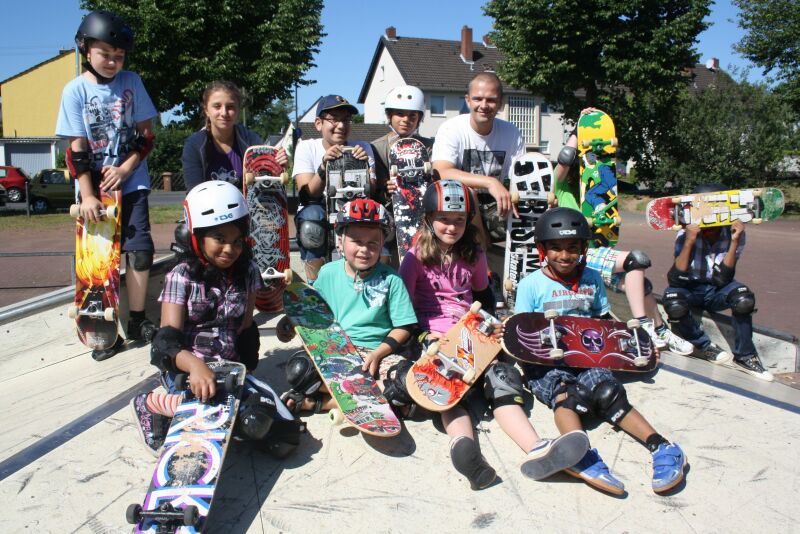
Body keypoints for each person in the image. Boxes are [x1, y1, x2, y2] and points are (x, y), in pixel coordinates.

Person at [399, 181, 589, 490]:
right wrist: (422, 340)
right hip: (433, 339)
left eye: (459, 219)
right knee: (448, 389)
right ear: (428, 218)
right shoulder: (414, 258)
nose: (451, 226)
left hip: (472, 332)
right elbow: (402, 310)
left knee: (502, 378)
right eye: (444, 218)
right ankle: (465, 449)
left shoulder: (473, 252)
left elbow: (483, 296)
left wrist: (493, 324)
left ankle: (536, 447)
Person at [515, 207, 688, 495]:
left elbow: (604, 320)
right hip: (547, 361)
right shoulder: (531, 285)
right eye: (556, 248)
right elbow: (523, 330)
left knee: (607, 393)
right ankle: (578, 452)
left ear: (584, 248)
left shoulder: (592, 278)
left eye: (573, 248)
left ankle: (663, 447)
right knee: (565, 396)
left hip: (587, 353)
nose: (565, 255)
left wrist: (636, 346)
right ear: (542, 249)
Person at [130, 181, 304, 458]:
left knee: (282, 439)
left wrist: (246, 372)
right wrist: (195, 366)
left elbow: (246, 326)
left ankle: (223, 411)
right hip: (186, 371)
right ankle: (152, 403)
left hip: (229, 370)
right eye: (219, 239)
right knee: (209, 419)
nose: (229, 249)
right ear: (194, 236)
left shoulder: (247, 271)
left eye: (236, 240)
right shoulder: (181, 275)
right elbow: (166, 342)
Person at [56, 10, 158, 360]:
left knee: (140, 251)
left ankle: (138, 319)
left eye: (119, 56)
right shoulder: (74, 91)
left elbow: (146, 137)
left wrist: (127, 169)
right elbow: (77, 150)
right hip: (94, 190)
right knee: (99, 259)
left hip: (131, 184)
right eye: (105, 54)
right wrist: (86, 194)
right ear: (86, 49)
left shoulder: (132, 82)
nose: (113, 61)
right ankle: (102, 326)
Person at [552, 117, 693, 356]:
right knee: (636, 260)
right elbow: (564, 159)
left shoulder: (602, 188)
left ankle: (660, 330)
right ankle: (643, 326)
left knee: (640, 284)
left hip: (598, 252)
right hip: (578, 254)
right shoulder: (561, 187)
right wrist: (579, 131)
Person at [276, 198, 418, 415]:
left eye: (373, 243)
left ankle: (321, 403)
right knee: (299, 371)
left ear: (382, 244)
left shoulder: (391, 280)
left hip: (377, 353)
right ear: (340, 241)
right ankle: (377, 398)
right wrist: (289, 321)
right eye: (356, 241)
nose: (364, 250)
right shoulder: (328, 273)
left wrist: (378, 354)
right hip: (337, 351)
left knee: (407, 381)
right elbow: (313, 310)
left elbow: (404, 327)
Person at [662, 183, 772, 381]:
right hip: (690, 289)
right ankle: (704, 346)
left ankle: (745, 356)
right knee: (673, 300)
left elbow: (723, 278)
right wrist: (689, 240)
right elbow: (675, 278)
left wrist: (735, 240)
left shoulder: (731, 232)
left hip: (715, 290)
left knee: (743, 298)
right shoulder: (685, 233)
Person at [431, 72, 525, 247]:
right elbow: (441, 172)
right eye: (478, 99)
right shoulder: (451, 128)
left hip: (493, 204)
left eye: (491, 100)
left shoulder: (512, 133)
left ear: (500, 103)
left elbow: (520, 179)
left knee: (532, 210)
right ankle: (481, 257)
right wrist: (490, 182)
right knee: (469, 192)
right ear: (468, 100)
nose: (484, 105)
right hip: (455, 204)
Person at [292, 95, 380, 283]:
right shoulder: (306, 147)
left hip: (354, 208)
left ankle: (370, 282)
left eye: (346, 119)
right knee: (311, 224)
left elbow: (372, 192)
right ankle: (316, 288)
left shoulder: (363, 147)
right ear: (318, 123)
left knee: (380, 222)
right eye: (334, 119)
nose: (341, 125)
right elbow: (307, 194)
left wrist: (363, 167)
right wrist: (324, 167)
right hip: (319, 209)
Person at [182, 80, 288, 191]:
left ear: (238, 110)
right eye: (217, 106)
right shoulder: (194, 145)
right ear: (206, 110)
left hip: (245, 206)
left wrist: (277, 165)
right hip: (207, 206)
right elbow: (194, 193)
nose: (224, 113)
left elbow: (266, 185)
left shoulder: (251, 141)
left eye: (230, 107)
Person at [371, 85, 433, 207]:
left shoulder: (430, 147)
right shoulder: (376, 148)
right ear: (389, 115)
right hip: (390, 208)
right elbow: (375, 189)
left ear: (419, 118)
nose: (406, 119)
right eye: (400, 113)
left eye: (412, 116)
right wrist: (385, 189)